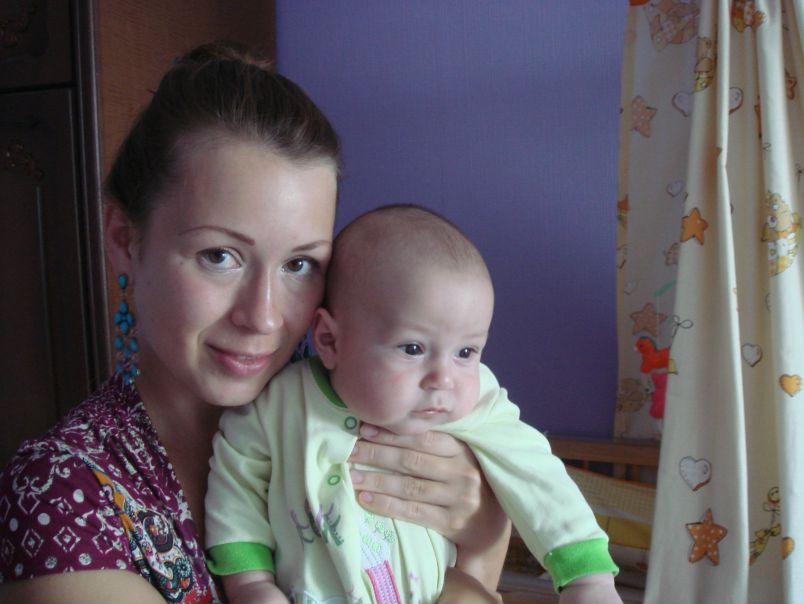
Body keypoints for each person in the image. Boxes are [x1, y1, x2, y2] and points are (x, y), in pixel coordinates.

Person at [0, 43, 511, 604]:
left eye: (299, 265)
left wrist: (483, 533)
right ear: (125, 240)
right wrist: (481, 555)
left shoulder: (380, 405)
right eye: (219, 256)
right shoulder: (61, 497)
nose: (263, 316)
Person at [205, 204, 623, 604]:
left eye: (466, 352)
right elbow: (236, 483)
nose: (443, 379)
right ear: (330, 340)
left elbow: (537, 477)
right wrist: (251, 583)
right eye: (412, 348)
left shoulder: (478, 403)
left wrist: (587, 577)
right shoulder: (281, 403)